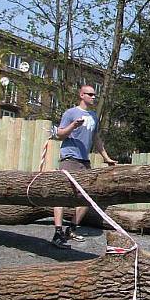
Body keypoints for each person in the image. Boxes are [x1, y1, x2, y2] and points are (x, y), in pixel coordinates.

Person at [51, 85, 117, 249]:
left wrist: (107, 158)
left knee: (88, 197)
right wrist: (73, 126)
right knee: (61, 195)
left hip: (84, 160)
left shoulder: (94, 116)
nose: (94, 97)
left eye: (95, 94)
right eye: (90, 94)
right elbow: (59, 134)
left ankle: (71, 229)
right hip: (69, 158)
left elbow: (96, 139)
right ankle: (57, 233)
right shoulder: (70, 113)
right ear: (82, 95)